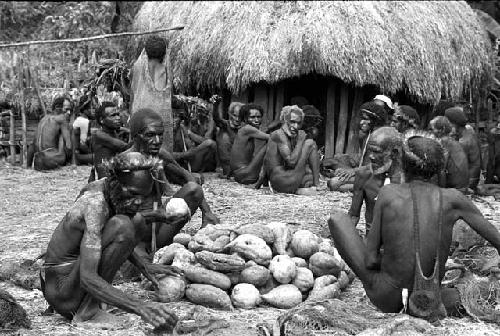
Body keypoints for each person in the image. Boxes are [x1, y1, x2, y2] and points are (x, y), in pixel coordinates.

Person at [328, 130, 500, 321]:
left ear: (401, 161)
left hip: (387, 298)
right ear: (438, 168)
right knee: (476, 291)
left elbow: (370, 260)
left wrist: (394, 255)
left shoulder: (388, 193)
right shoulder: (454, 198)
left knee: (337, 219)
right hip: (429, 299)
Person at [42, 151, 184, 330]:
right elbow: (87, 278)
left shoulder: (108, 187)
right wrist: (139, 307)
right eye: (133, 194)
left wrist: (144, 266)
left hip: (73, 279)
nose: (138, 202)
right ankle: (88, 312)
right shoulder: (94, 204)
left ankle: (92, 304)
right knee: (123, 224)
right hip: (63, 294)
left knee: (136, 219)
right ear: (117, 183)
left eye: (143, 196)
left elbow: (107, 237)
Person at [125, 108, 219, 227]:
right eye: (150, 135)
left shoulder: (160, 154)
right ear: (135, 136)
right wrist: (155, 216)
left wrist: (207, 212)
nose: (157, 141)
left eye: (160, 135)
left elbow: (187, 175)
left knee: (194, 189)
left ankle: (208, 219)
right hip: (136, 226)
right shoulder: (125, 163)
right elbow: (120, 217)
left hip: (158, 224)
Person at [348, 127, 402, 234]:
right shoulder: (363, 175)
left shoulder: (405, 180)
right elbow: (353, 216)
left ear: (394, 153)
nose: (371, 157)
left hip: (399, 243)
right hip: (372, 243)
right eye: (370, 151)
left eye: (377, 152)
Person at [322, 101, 387, 191]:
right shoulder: (367, 135)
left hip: (373, 177)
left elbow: (375, 167)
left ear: (375, 121)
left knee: (333, 182)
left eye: (365, 119)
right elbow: (363, 162)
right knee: (336, 162)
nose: (361, 122)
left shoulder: (380, 138)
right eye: (362, 118)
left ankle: (367, 188)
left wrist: (353, 171)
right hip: (362, 172)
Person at [257, 105, 320, 194]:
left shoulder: (285, 134)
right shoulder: (279, 135)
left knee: (308, 174)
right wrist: (301, 141)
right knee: (310, 143)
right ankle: (316, 185)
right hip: (283, 181)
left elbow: (266, 160)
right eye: (292, 122)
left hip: (282, 180)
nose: (295, 126)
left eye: (298, 123)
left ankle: (300, 189)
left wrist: (262, 184)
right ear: (284, 120)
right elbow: (291, 162)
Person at [131, 34, 173, 151]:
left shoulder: (138, 67)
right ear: (164, 53)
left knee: (140, 150)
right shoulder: (165, 69)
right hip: (159, 117)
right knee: (160, 150)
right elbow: (171, 92)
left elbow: (132, 92)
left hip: (140, 114)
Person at [172, 97, 217, 173]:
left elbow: (190, 149)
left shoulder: (182, 127)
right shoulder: (163, 130)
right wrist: (184, 154)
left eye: (177, 116)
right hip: (175, 164)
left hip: (187, 162)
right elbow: (163, 155)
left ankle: (204, 168)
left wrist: (190, 136)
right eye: (172, 116)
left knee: (210, 143)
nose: (174, 120)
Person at [229, 103, 271, 184]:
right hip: (245, 175)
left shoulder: (245, 129)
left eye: (258, 117)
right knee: (272, 143)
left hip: (242, 174)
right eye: (252, 117)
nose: (256, 120)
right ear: (245, 118)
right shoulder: (247, 129)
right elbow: (273, 138)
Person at [27, 97, 72, 170]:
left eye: (70, 110)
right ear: (57, 107)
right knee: (66, 132)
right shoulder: (61, 118)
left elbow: (32, 146)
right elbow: (68, 146)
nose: (69, 112)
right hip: (50, 160)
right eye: (66, 109)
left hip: (38, 161)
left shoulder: (43, 118)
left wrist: (28, 165)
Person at [91, 102, 131, 180]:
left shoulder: (114, 131)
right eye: (113, 115)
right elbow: (124, 147)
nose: (118, 118)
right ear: (102, 120)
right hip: (107, 180)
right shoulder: (100, 135)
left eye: (118, 114)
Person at [445, 107, 481, 191]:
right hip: (474, 178)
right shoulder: (469, 131)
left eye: (447, 123)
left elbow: (456, 169)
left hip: (468, 182)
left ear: (453, 124)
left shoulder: (463, 142)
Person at [429, 116, 469, 191]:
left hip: (456, 188)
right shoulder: (451, 141)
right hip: (462, 186)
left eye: (432, 129)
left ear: (441, 130)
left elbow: (441, 170)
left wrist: (442, 192)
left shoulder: (443, 142)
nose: (430, 132)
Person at [214, 99, 244, 178]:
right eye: (234, 115)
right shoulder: (225, 124)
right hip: (227, 162)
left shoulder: (245, 128)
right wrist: (215, 106)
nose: (237, 119)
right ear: (230, 114)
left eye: (240, 116)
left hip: (240, 162)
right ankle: (227, 172)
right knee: (224, 137)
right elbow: (217, 119)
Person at [72, 95, 97, 165]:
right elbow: (82, 145)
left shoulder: (79, 119)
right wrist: (91, 153)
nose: (93, 110)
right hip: (79, 156)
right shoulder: (84, 122)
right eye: (91, 108)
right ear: (84, 110)